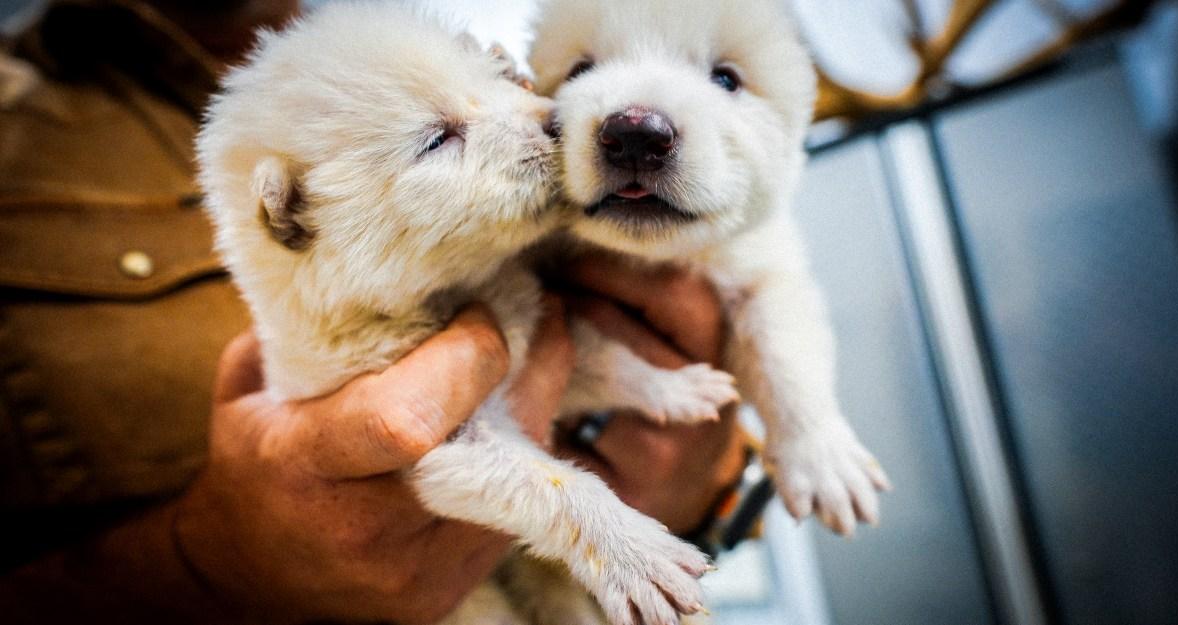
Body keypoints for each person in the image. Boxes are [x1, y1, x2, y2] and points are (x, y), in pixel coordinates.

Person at [0, 1, 747, 623]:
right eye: (437, 141)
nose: (545, 115)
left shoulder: (412, 31)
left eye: (493, 78)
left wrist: (708, 472)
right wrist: (209, 562)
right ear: (295, 217)